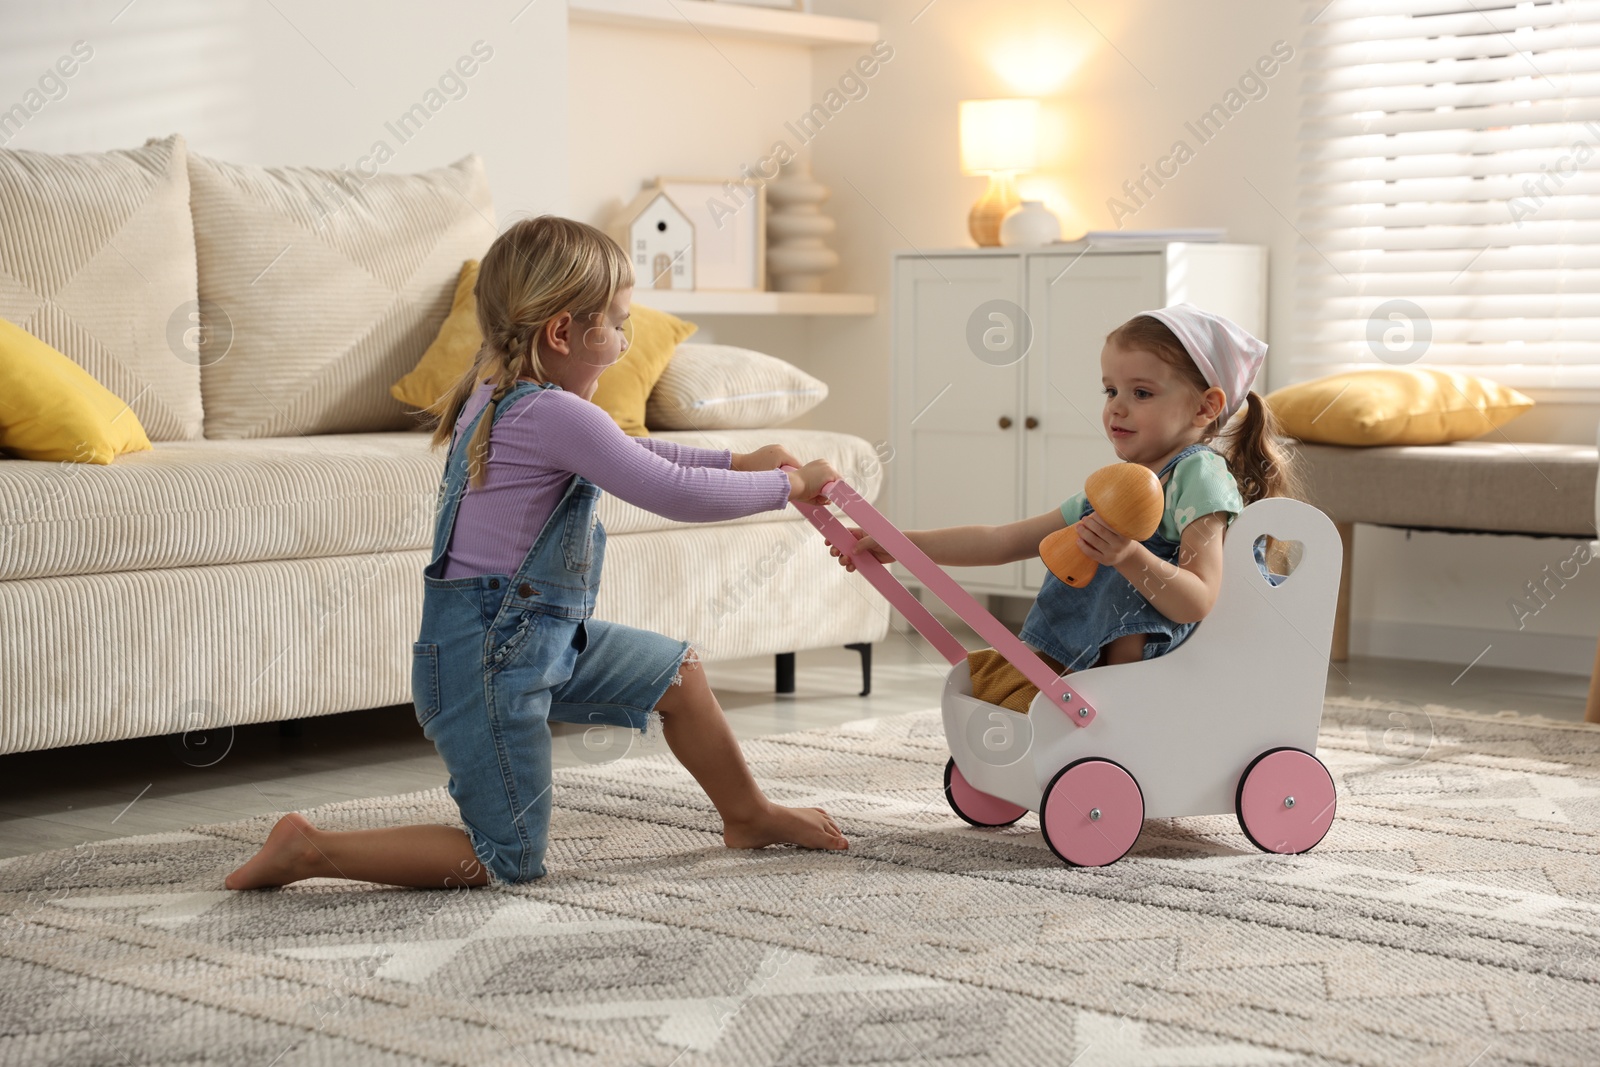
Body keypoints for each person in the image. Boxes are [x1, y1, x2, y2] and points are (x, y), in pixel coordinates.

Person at [227, 216, 848, 891]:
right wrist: (785, 485)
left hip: (535, 640)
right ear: (562, 332)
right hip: (487, 664)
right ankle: (311, 850)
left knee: (682, 674)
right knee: (504, 857)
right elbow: (667, 488)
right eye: (617, 322)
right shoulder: (553, 414)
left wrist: (737, 456)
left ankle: (749, 814)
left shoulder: (503, 396)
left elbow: (634, 452)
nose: (623, 337)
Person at [831, 304, 1298, 713]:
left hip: (1172, 668)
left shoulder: (1198, 476)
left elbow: (1198, 599)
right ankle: (1061, 693)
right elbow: (1002, 540)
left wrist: (1129, 556)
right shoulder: (1117, 488)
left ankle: (1109, 717)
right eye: (1110, 391)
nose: (1117, 407)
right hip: (1103, 671)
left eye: (1141, 393)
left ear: (1205, 407)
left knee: (1117, 587)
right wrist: (901, 544)